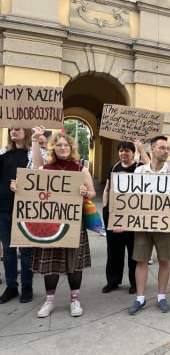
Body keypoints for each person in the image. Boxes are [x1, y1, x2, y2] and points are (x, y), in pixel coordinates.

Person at [30, 132, 96, 317]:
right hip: (50, 223)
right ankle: (49, 300)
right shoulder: (45, 168)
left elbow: (92, 194)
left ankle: (75, 300)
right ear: (53, 148)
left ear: (71, 148)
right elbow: (32, 181)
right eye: (58, 145)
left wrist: (85, 192)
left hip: (74, 222)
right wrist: (35, 140)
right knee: (50, 262)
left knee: (74, 263)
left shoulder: (81, 169)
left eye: (65, 145)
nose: (62, 148)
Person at [127, 135, 170, 315]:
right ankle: (140, 298)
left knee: (164, 261)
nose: (166, 151)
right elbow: (131, 198)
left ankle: (161, 296)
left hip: (165, 226)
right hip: (143, 226)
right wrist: (123, 219)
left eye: (168, 149)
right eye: (163, 148)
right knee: (141, 261)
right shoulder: (139, 172)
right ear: (153, 149)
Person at [0, 127, 45, 304]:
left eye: (17, 129)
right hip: (3, 206)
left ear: (25, 132)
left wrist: (35, 140)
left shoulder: (35, 151)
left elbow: (38, 168)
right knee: (8, 250)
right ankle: (11, 286)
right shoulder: (3, 153)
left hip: (26, 208)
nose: (13, 131)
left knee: (26, 251)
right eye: (11, 129)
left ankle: (27, 286)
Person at [102, 141, 149, 294]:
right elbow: (107, 189)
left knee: (133, 252)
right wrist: (105, 208)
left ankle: (135, 283)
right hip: (114, 215)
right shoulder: (114, 168)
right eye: (121, 150)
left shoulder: (140, 168)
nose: (124, 153)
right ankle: (113, 281)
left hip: (133, 217)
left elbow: (151, 171)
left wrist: (142, 149)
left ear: (133, 153)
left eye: (127, 150)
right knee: (114, 250)